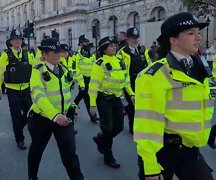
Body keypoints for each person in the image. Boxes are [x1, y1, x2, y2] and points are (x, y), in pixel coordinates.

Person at [134, 12, 214, 180]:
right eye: (191, 33)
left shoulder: (200, 66)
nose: (198, 37)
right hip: (162, 152)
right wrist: (151, 167)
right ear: (173, 40)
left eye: (198, 32)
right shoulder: (154, 74)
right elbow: (146, 124)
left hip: (190, 149)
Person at [27, 38, 84, 180]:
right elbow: (39, 97)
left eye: (60, 51)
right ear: (45, 54)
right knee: (37, 150)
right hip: (42, 119)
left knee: (70, 155)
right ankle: (32, 176)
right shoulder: (37, 72)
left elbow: (67, 91)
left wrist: (72, 107)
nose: (59, 54)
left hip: (63, 119)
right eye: (55, 52)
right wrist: (54, 115)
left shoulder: (64, 69)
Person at [89, 36, 134, 168]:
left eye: (115, 45)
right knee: (108, 128)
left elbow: (126, 81)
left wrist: (131, 94)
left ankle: (100, 139)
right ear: (104, 49)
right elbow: (93, 85)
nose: (114, 48)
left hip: (116, 98)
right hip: (104, 99)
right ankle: (108, 156)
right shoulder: (100, 63)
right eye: (111, 46)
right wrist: (92, 104)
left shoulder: (120, 61)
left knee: (119, 127)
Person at [0, 29, 34, 150]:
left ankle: (18, 127)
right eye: (15, 39)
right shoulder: (6, 56)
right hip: (12, 91)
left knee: (30, 114)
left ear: (22, 41)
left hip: (26, 89)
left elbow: (35, 70)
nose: (17, 41)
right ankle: (20, 139)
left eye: (19, 39)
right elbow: (0, 73)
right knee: (16, 116)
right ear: (11, 42)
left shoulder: (28, 54)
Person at [117, 27, 151, 134]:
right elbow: (120, 71)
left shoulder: (143, 50)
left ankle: (142, 124)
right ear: (127, 39)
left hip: (142, 82)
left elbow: (149, 65)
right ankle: (132, 126)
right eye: (132, 38)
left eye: (136, 38)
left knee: (143, 105)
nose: (135, 40)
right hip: (129, 83)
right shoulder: (122, 53)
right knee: (132, 106)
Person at [74, 34, 99, 123]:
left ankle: (71, 108)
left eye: (87, 42)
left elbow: (95, 66)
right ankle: (93, 116)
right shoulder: (77, 56)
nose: (87, 44)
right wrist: (81, 83)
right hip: (82, 79)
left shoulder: (91, 55)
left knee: (80, 96)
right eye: (85, 42)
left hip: (91, 79)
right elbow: (76, 70)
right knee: (86, 97)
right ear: (80, 44)